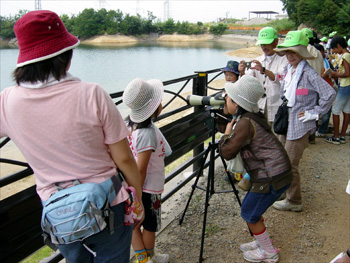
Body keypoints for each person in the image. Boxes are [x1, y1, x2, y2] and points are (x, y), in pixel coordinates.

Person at [0, 10, 143, 262]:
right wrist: (138, 196)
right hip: (108, 203)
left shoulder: (6, 100)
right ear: (65, 55)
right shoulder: (92, 94)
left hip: (57, 210)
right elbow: (124, 159)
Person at [218, 75, 293, 263]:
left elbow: (227, 152)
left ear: (237, 103)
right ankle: (262, 242)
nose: (225, 98)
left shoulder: (244, 123)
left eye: (229, 97)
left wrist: (226, 134)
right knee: (253, 211)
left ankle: (269, 252)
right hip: (278, 172)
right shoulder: (251, 117)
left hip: (271, 176)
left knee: (249, 212)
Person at [272, 31, 336, 212]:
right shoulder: (288, 70)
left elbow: (329, 94)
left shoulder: (308, 73)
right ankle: (287, 191)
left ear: (302, 53)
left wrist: (314, 113)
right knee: (283, 159)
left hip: (300, 124)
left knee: (290, 163)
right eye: (288, 52)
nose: (290, 55)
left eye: (295, 52)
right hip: (288, 120)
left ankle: (294, 200)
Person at [123, 78, 171, 263]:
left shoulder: (129, 125)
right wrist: (138, 199)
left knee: (135, 225)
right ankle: (147, 259)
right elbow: (141, 170)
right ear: (152, 107)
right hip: (146, 189)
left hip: (135, 187)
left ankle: (146, 259)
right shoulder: (147, 133)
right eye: (159, 101)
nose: (161, 104)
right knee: (149, 226)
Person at [239, 27, 288, 128]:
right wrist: (242, 72)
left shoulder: (284, 60)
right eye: (262, 44)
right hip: (260, 106)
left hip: (277, 105)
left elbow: (281, 78)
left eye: (267, 43)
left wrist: (264, 70)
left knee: (277, 136)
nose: (264, 47)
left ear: (276, 41)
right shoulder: (258, 60)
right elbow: (247, 81)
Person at [326, 36, 350, 145]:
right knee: (347, 110)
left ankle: (336, 136)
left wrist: (336, 74)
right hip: (348, 85)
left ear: (339, 46)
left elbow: (347, 73)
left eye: (335, 49)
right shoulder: (348, 54)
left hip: (345, 85)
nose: (335, 52)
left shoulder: (345, 56)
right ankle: (342, 136)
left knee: (336, 110)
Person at [314, 43, 336, 138]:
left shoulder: (326, 62)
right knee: (315, 109)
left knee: (326, 110)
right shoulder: (314, 62)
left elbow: (333, 71)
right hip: (318, 89)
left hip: (327, 88)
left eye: (321, 52)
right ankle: (314, 130)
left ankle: (322, 130)